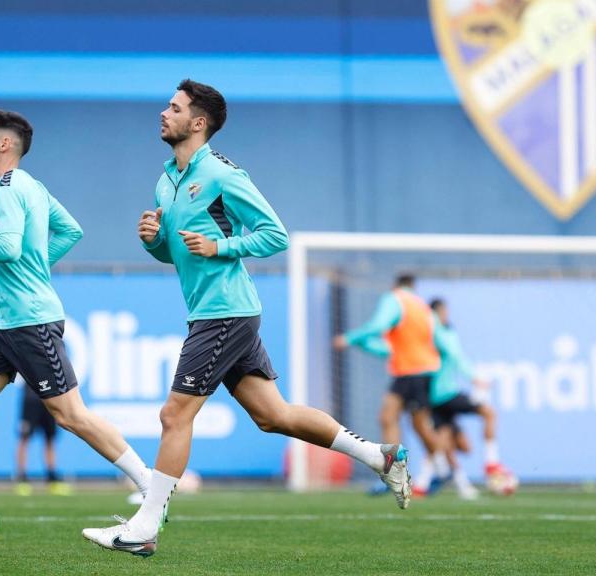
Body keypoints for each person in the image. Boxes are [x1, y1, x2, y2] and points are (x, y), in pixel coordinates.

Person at [82, 80, 410, 558]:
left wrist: (224, 246)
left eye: (173, 108)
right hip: (212, 313)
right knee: (272, 415)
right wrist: (153, 240)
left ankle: (144, 527)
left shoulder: (222, 175)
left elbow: (275, 235)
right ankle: (380, 457)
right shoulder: (166, 179)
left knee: (174, 415)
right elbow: (175, 256)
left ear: (198, 123)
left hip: (226, 312)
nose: (163, 113)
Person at [0, 110, 152, 546]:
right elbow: (71, 231)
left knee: (71, 415)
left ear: (5, 145)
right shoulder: (31, 186)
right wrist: (38, 265)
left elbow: (10, 248)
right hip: (2, 320)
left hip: (31, 321)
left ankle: (153, 489)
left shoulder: (9, 189)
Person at [333, 274, 443, 494]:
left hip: (411, 372)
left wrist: (350, 338)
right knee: (414, 424)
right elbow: (393, 349)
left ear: (395, 286)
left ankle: (425, 469)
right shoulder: (421, 307)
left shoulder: (396, 299)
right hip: (422, 371)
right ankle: (435, 469)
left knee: (391, 418)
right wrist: (360, 343)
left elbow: (378, 325)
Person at [429, 298, 511, 498]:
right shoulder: (434, 331)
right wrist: (475, 378)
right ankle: (491, 463)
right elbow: (456, 356)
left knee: (455, 445)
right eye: (443, 311)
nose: (446, 314)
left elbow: (455, 355)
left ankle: (458, 483)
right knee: (488, 412)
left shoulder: (446, 331)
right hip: (444, 394)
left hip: (438, 396)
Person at [14, 381, 70, 496]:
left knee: (50, 439)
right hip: (31, 399)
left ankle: (52, 478)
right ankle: (22, 478)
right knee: (24, 438)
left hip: (50, 398)